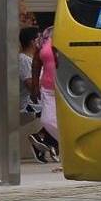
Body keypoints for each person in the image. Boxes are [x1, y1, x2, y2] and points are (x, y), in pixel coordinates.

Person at [19, 27, 56, 162]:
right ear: (33, 41)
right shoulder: (23, 60)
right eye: (40, 38)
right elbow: (30, 84)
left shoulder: (36, 57)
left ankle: (44, 141)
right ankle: (43, 138)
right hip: (28, 104)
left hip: (39, 101)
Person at [31, 26, 60, 158]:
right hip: (48, 89)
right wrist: (35, 85)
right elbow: (36, 62)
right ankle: (69, 144)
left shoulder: (71, 33)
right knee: (47, 120)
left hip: (66, 89)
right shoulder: (46, 35)